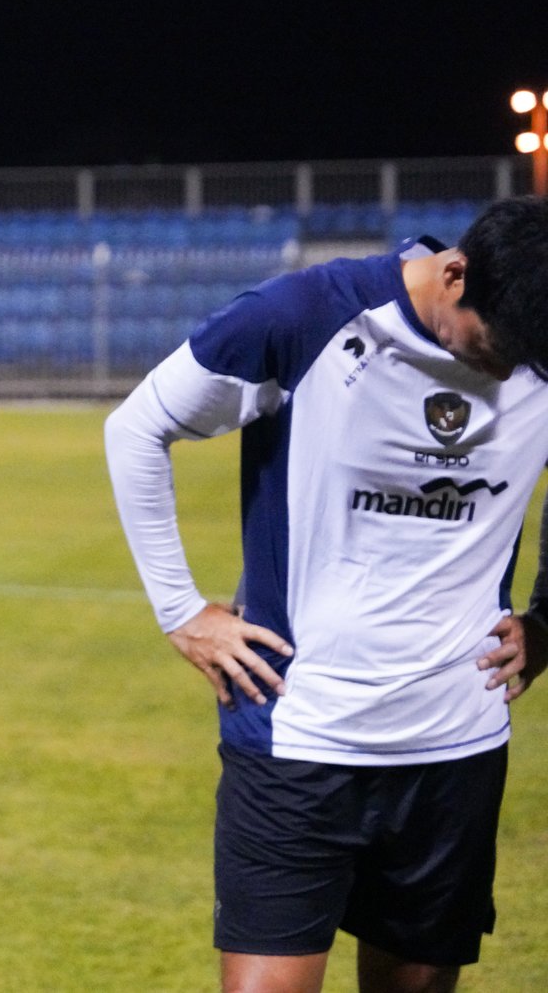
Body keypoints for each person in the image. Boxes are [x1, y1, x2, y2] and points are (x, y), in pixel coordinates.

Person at [104, 198, 548, 993]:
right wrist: (180, 609)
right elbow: (137, 427)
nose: (508, 371)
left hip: (453, 747)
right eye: (495, 347)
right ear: (455, 273)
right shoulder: (307, 316)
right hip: (295, 736)